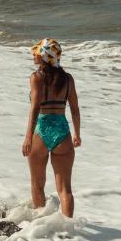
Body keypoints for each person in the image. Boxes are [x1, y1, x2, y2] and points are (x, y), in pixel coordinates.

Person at [22, 37, 81, 217]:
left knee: (37, 185)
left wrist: (27, 137)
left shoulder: (36, 77)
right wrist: (77, 135)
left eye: (37, 52)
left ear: (45, 57)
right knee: (65, 190)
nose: (33, 55)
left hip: (41, 131)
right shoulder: (68, 79)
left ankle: (41, 227)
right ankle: (68, 232)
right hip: (62, 132)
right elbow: (75, 109)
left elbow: (35, 109)